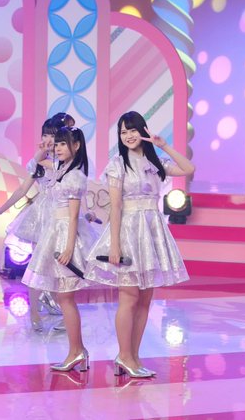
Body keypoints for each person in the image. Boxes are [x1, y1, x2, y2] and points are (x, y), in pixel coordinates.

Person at [85, 111, 195, 378]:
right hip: (128, 232)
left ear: (143, 130)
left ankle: (133, 356)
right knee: (129, 296)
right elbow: (115, 207)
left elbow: (188, 169)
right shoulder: (117, 164)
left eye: (132, 130)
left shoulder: (155, 162)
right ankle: (124, 355)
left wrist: (163, 145)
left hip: (152, 232)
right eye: (123, 132)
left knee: (145, 298)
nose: (128, 136)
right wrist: (114, 246)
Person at [21, 126, 98, 371]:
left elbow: (73, 216)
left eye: (63, 143)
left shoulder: (74, 175)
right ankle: (77, 351)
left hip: (66, 234)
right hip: (56, 230)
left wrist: (68, 248)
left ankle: (77, 351)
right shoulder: (62, 169)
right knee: (65, 297)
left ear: (76, 146)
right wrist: (43, 149)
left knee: (66, 297)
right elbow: (36, 164)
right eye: (58, 144)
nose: (58, 148)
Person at [0, 114, 71, 330]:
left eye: (53, 136)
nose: (48, 140)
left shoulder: (66, 161)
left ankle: (53, 301)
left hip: (62, 213)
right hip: (41, 215)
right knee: (37, 265)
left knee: (60, 264)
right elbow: (23, 189)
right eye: (45, 135)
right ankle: (34, 312)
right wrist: (1, 209)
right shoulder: (37, 162)